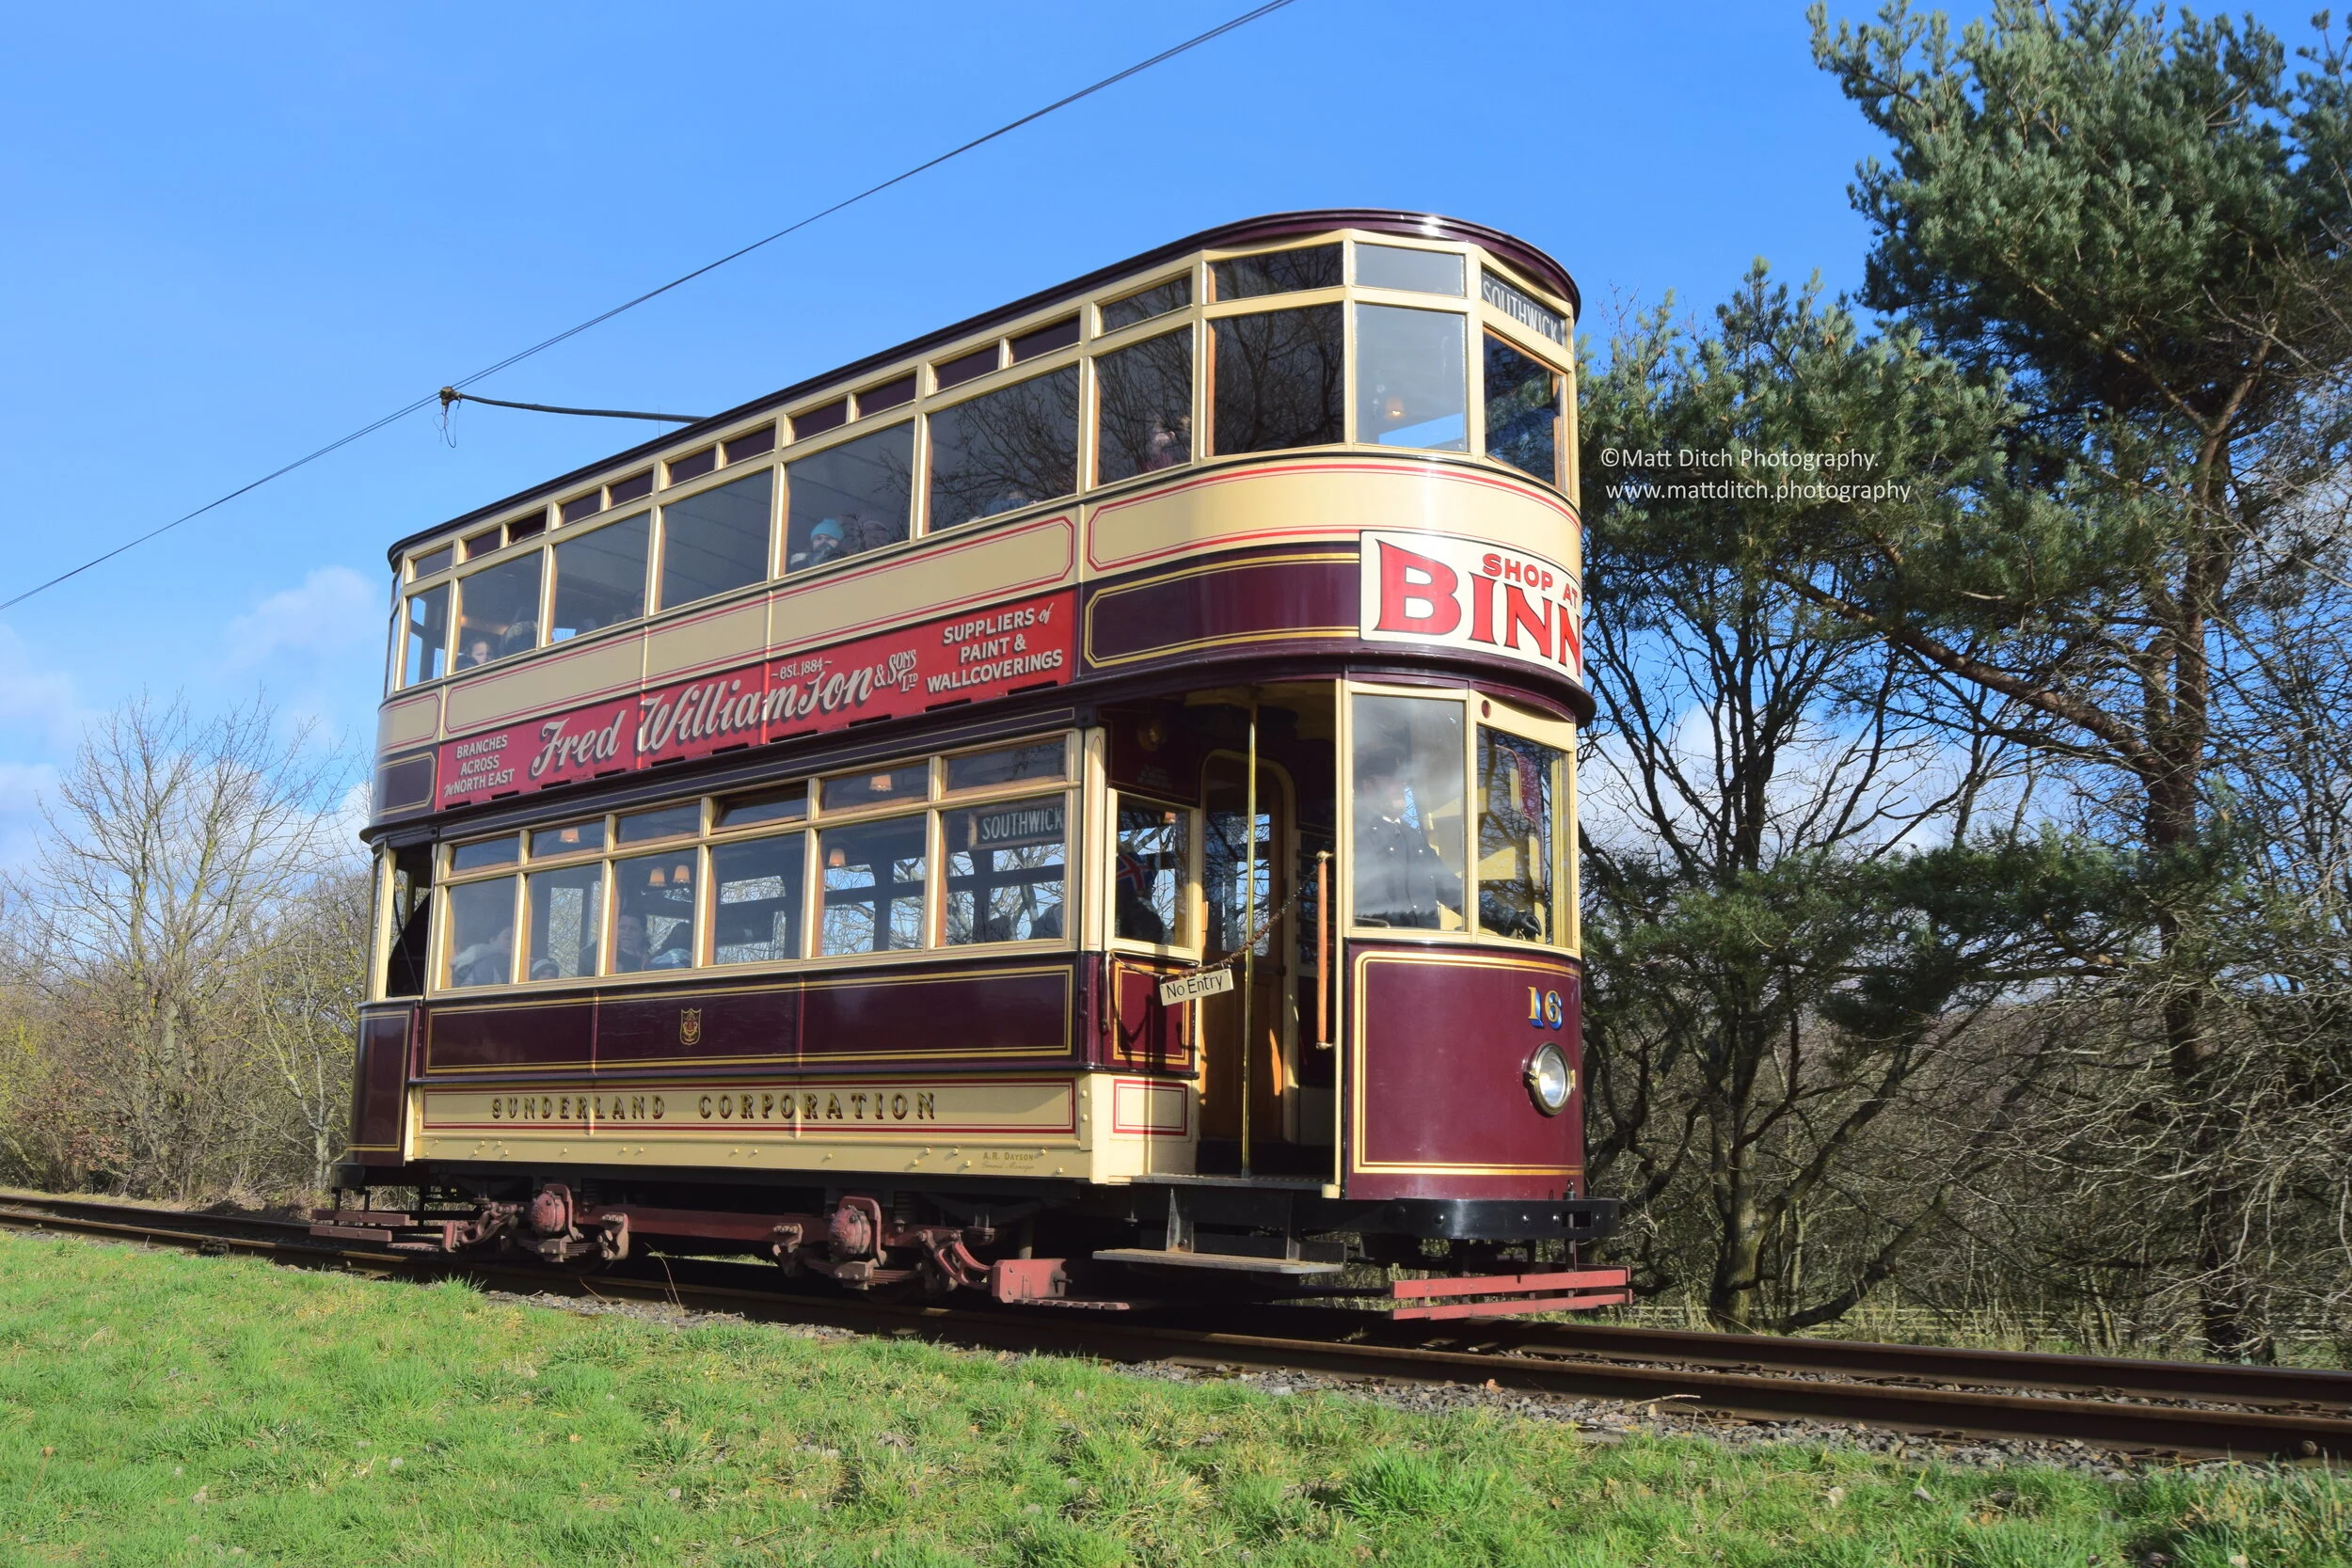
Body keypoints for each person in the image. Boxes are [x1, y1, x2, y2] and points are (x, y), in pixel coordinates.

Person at [1352, 747, 1462, 928]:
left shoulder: (1411, 836)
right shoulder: (1356, 833)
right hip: (1392, 949)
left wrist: (1505, 918)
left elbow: (1452, 889)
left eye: (1402, 781)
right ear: (1368, 787)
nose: (1401, 786)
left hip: (1423, 949)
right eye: (1392, 780)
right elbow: (1375, 907)